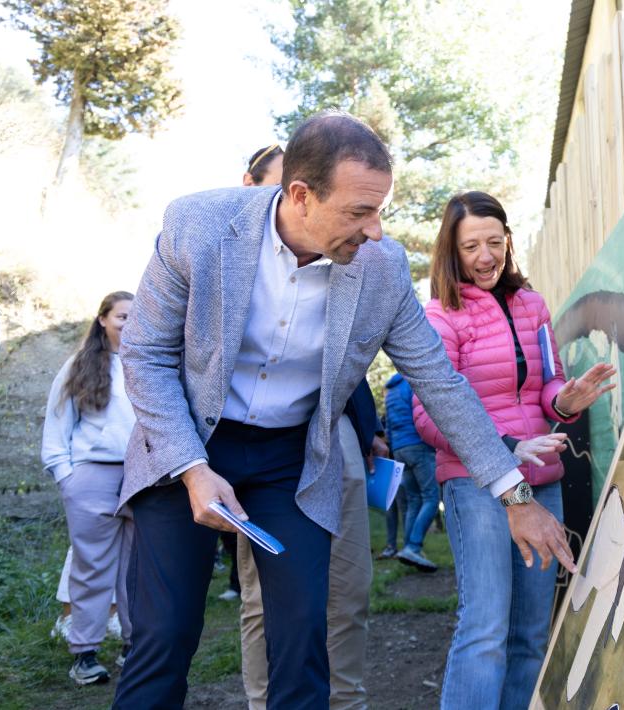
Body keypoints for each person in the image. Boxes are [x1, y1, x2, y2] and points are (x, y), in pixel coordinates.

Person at [111, 112, 574, 710]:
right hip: (186, 443)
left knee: (305, 636)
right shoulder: (198, 225)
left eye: (380, 209)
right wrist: (194, 470)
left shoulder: (381, 269)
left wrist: (514, 494)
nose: (376, 231)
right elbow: (145, 354)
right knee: (165, 635)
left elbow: (440, 381)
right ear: (300, 196)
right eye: (359, 212)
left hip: (293, 461)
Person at [414, 191, 615, 709]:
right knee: (485, 631)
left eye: (495, 242)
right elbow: (428, 416)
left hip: (542, 483)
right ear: (451, 251)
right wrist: (506, 447)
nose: (485, 256)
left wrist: (566, 400)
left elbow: (549, 386)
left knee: (530, 635)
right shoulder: (440, 316)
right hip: (475, 485)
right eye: (471, 246)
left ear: (508, 242)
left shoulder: (532, 305)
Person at [232, 142, 388, 710]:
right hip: (254, 444)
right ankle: (263, 701)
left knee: (347, 588)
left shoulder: (359, 259)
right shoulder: (222, 247)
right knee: (265, 597)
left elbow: (358, 355)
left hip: (334, 431)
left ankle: (343, 702)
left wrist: (365, 427)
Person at [41, 291, 136, 685]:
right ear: (103, 320)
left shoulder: (151, 360)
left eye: (135, 317)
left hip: (143, 479)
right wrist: (67, 476)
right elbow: (56, 425)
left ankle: (136, 650)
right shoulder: (80, 365)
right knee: (91, 567)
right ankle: (85, 654)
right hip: (91, 478)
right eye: (121, 317)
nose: (128, 324)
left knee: (138, 570)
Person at [384, 373, 438, 571]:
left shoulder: (391, 391)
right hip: (418, 446)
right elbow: (422, 417)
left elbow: (388, 427)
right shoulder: (411, 384)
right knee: (432, 498)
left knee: (414, 500)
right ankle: (413, 547)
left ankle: (409, 549)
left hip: (399, 449)